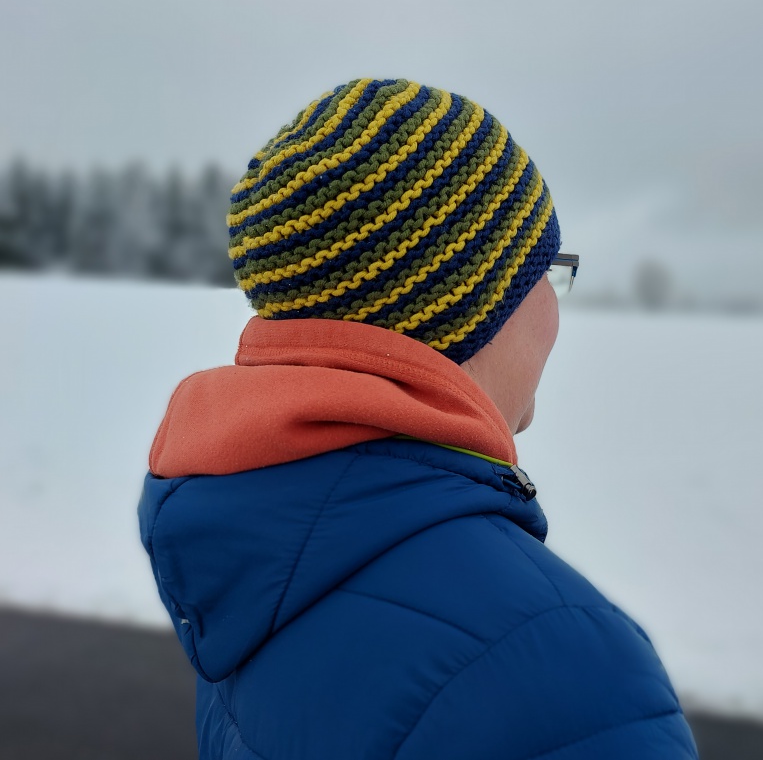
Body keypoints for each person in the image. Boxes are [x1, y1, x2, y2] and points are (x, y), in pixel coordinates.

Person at [138, 78, 699, 759]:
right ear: (473, 308)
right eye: (550, 271)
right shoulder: (571, 674)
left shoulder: (256, 554)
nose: (557, 308)